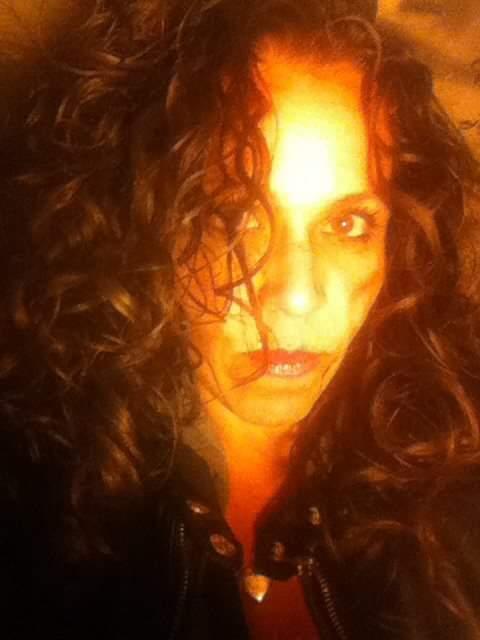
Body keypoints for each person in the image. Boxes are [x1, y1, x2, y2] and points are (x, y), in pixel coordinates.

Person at [1, 0, 480, 638]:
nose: (297, 297)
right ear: (144, 220)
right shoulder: (35, 501)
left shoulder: (448, 461)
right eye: (233, 216)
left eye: (347, 223)